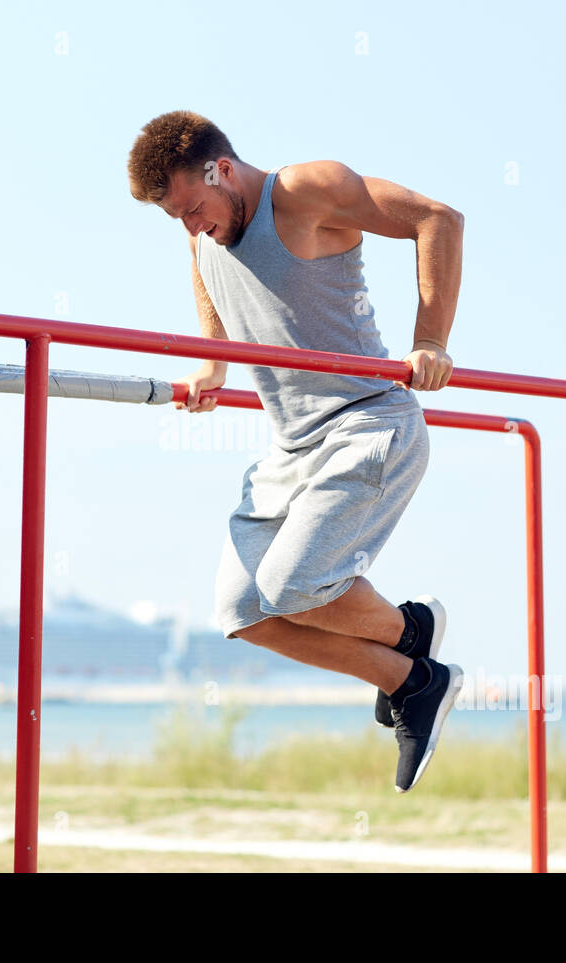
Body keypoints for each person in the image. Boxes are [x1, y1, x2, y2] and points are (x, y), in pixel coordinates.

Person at [127, 110, 465, 793]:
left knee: (294, 588)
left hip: (368, 423)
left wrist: (429, 338)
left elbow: (439, 219)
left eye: (193, 208)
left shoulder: (305, 192)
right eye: (177, 219)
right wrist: (212, 366)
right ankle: (412, 677)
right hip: (291, 447)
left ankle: (411, 628)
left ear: (221, 169)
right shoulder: (202, 236)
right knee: (243, 611)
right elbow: (207, 276)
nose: (192, 227)